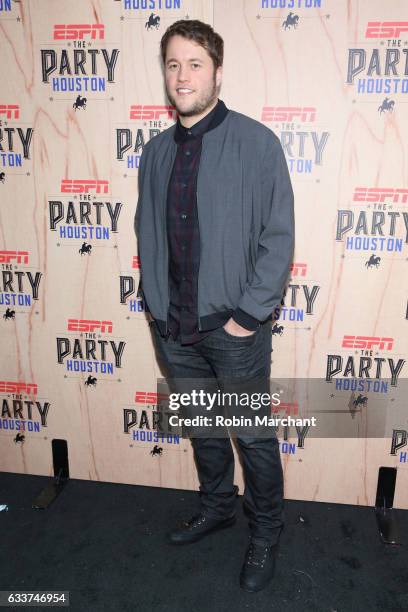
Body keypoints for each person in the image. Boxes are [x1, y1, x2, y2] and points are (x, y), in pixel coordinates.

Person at [134, 19, 294, 593]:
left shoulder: (257, 144)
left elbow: (278, 236)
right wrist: (154, 305)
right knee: (203, 427)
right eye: (173, 64)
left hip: (235, 329)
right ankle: (218, 506)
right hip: (173, 327)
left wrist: (248, 316)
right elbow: (146, 232)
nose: (183, 75)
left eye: (194, 64)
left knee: (250, 434)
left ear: (217, 73)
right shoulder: (153, 153)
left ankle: (267, 531)